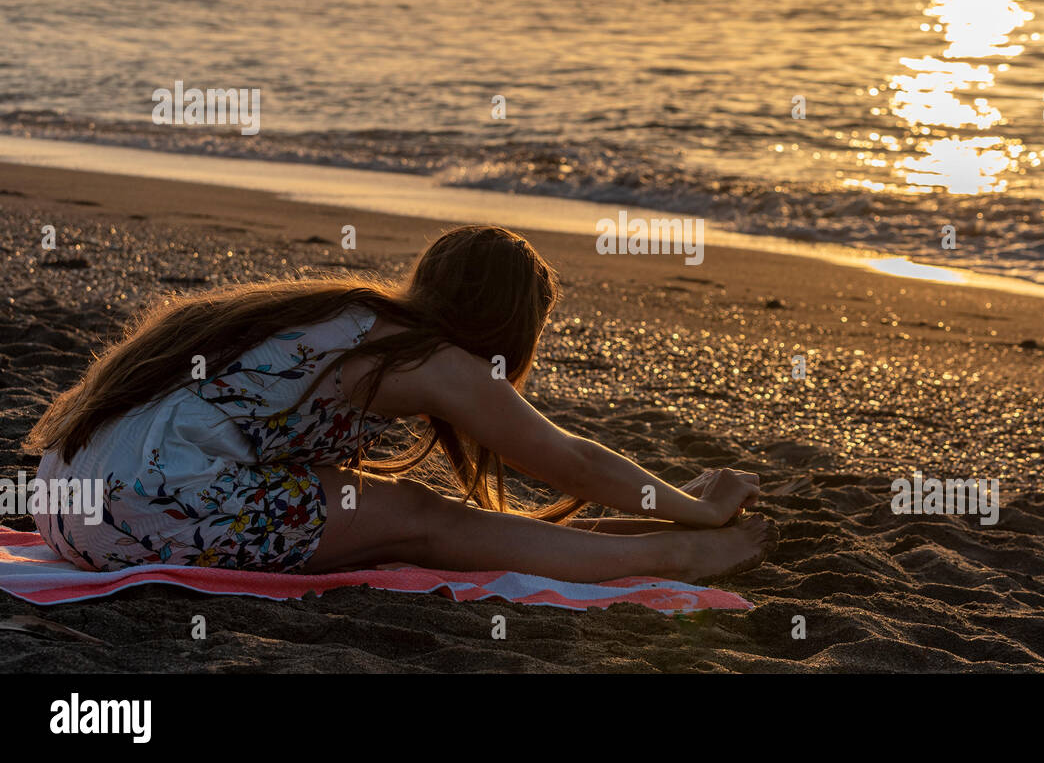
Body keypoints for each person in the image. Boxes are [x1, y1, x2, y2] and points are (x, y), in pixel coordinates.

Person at [25, 225, 777, 583]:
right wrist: (696, 512)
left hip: (65, 498)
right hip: (140, 509)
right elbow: (566, 458)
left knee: (410, 515)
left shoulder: (343, 314)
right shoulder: (430, 357)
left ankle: (656, 536)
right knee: (423, 519)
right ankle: (681, 554)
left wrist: (666, 499)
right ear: (506, 322)